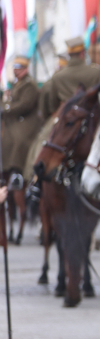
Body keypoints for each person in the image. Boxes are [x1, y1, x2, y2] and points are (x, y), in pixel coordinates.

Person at [2, 57, 42, 224]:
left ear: (26, 69)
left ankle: (17, 172)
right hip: (14, 121)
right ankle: (5, 171)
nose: (16, 70)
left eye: (19, 68)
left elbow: (24, 105)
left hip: (27, 124)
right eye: (15, 67)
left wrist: (5, 109)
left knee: (17, 141)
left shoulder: (30, 86)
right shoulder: (16, 84)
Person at [40, 37, 100, 118]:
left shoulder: (57, 77)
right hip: (93, 117)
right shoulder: (96, 72)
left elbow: (53, 106)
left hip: (68, 120)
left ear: (69, 54)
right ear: (82, 53)